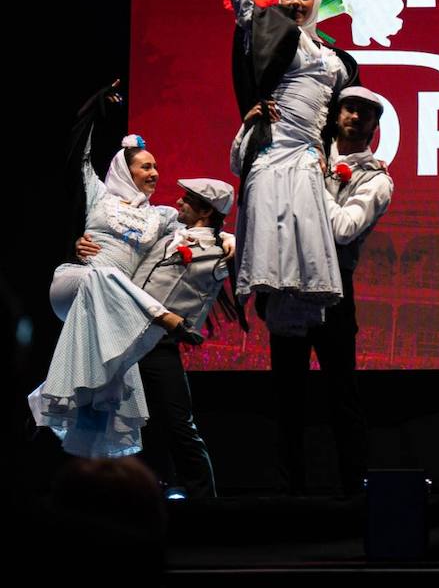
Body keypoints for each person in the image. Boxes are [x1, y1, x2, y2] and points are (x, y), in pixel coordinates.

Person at [30, 83, 208, 459]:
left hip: (111, 308)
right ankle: (165, 318)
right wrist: (96, 107)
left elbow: (199, 231)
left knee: (101, 389)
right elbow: (78, 151)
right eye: (146, 166)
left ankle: (73, 449)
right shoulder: (98, 194)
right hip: (77, 283)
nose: (155, 172)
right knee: (103, 276)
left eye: (156, 166)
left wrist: (226, 239)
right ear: (125, 171)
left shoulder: (159, 217)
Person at [219, 0, 358, 337]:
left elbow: (341, 111)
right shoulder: (278, 34)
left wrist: (328, 149)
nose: (296, 2)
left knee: (305, 266)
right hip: (273, 148)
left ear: (316, 0)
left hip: (307, 156)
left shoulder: (334, 56)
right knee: (272, 262)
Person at [77, 179, 237, 497]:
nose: (179, 201)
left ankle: (205, 502)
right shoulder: (167, 233)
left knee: (177, 422)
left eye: (188, 199)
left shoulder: (218, 250)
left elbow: (241, 246)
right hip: (121, 332)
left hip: (157, 340)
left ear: (206, 209)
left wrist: (229, 237)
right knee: (102, 412)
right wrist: (85, 243)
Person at [270, 86, 393, 495]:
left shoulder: (376, 179)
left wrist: (312, 181)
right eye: (349, 109)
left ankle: (354, 496)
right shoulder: (308, 154)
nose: (355, 117)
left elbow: (342, 230)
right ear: (336, 114)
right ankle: (290, 493)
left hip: (337, 289)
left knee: (343, 395)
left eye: (365, 113)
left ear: (375, 126)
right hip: (291, 280)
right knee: (287, 396)